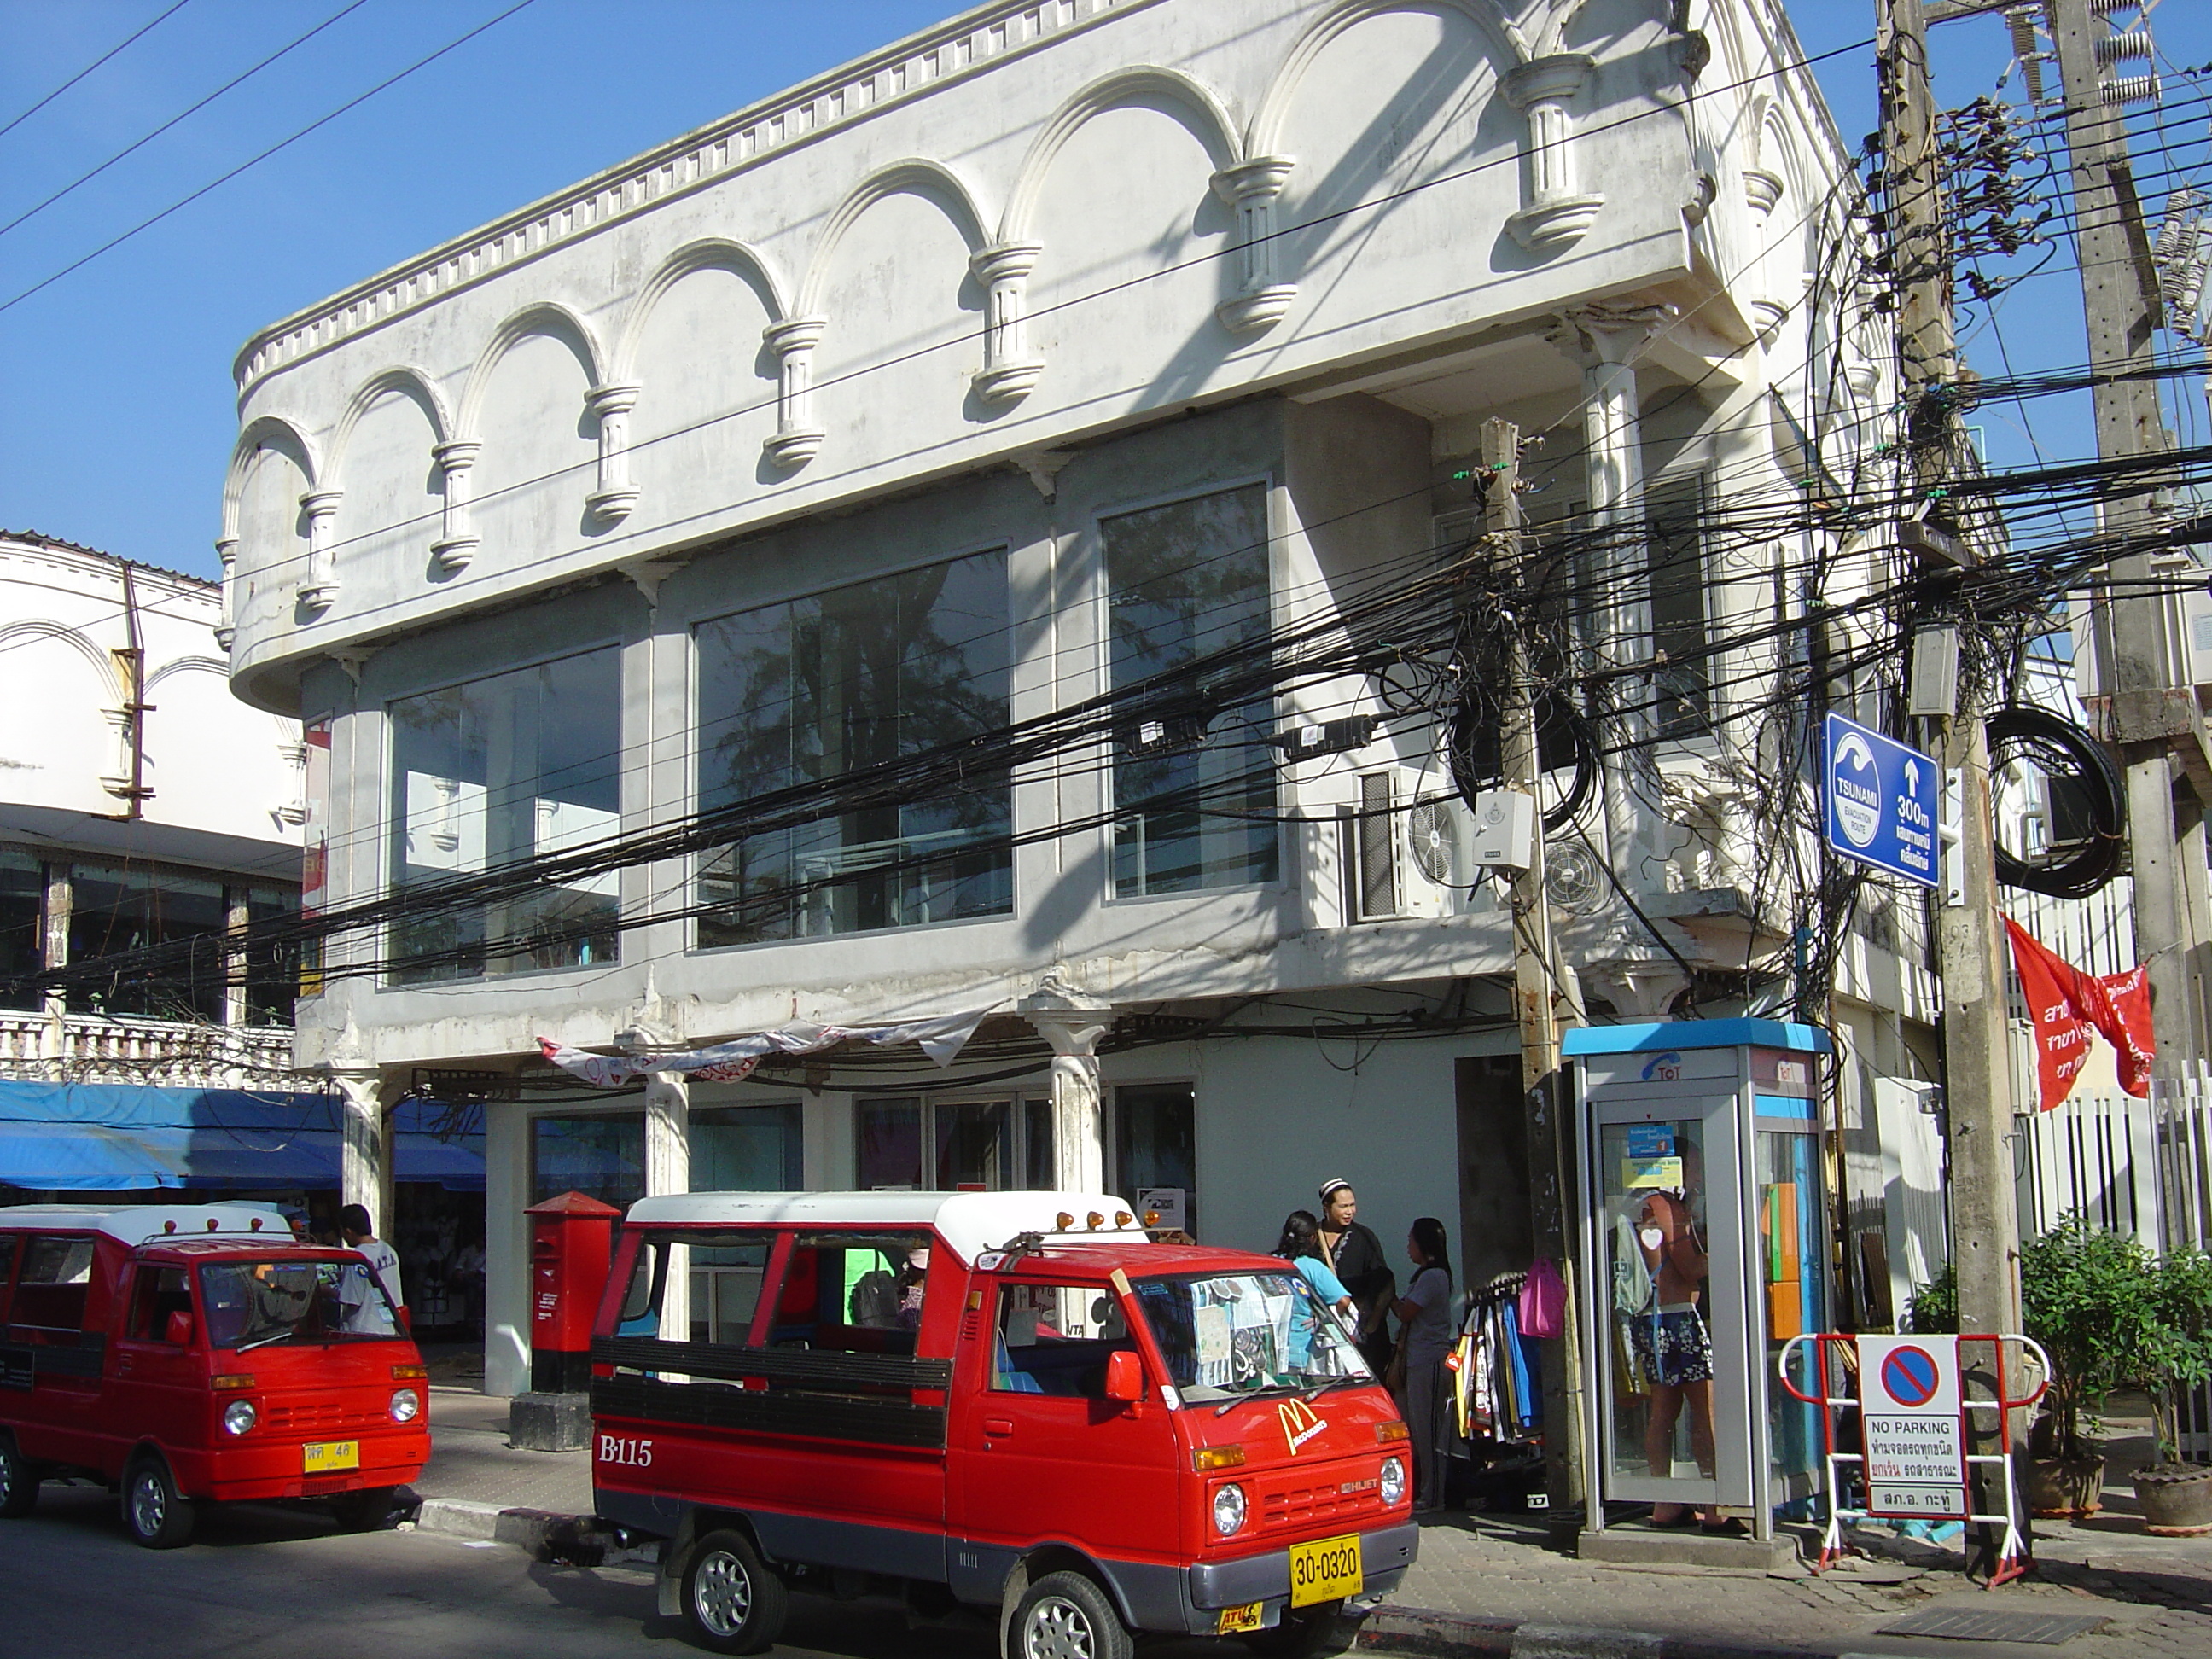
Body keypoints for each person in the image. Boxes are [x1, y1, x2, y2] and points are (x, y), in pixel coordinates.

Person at [1632, 1188, 1728, 1532]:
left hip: (1651, 1319)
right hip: (1681, 1317)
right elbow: (1690, 1268)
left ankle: (1665, 1501)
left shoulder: (1641, 1206)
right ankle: (1717, 1503)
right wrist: (1727, 1244)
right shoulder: (1667, 1207)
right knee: (1705, 1407)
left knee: (1663, 1411)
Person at [1391, 1216, 1454, 1512]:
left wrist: (1388, 1298)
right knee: (1417, 1428)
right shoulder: (1424, 1276)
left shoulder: (1433, 1277)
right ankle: (1427, 1490)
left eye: (1410, 1241)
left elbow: (1406, 1312)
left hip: (1430, 1360)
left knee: (1429, 1431)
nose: (1407, 1247)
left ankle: (1435, 1494)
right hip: (1417, 1360)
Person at [1315, 1179, 1397, 1373]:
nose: (1350, 1211)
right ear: (1326, 1207)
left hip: (1360, 1330)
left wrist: (1368, 1318)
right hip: (1324, 1328)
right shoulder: (1313, 1237)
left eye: (1352, 1205)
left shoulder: (1363, 1237)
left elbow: (1382, 1281)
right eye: (1343, 1206)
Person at [1272, 1210, 1353, 1371]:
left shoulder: (1271, 1263)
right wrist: (1323, 1319)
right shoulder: (1312, 1267)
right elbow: (1343, 1301)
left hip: (1272, 1349)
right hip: (1304, 1349)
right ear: (1312, 1238)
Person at [336, 1203, 404, 1336]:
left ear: (348, 1231)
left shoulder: (357, 1259)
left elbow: (352, 1301)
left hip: (364, 1333)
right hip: (390, 1328)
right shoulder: (388, 1250)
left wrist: (327, 1291)